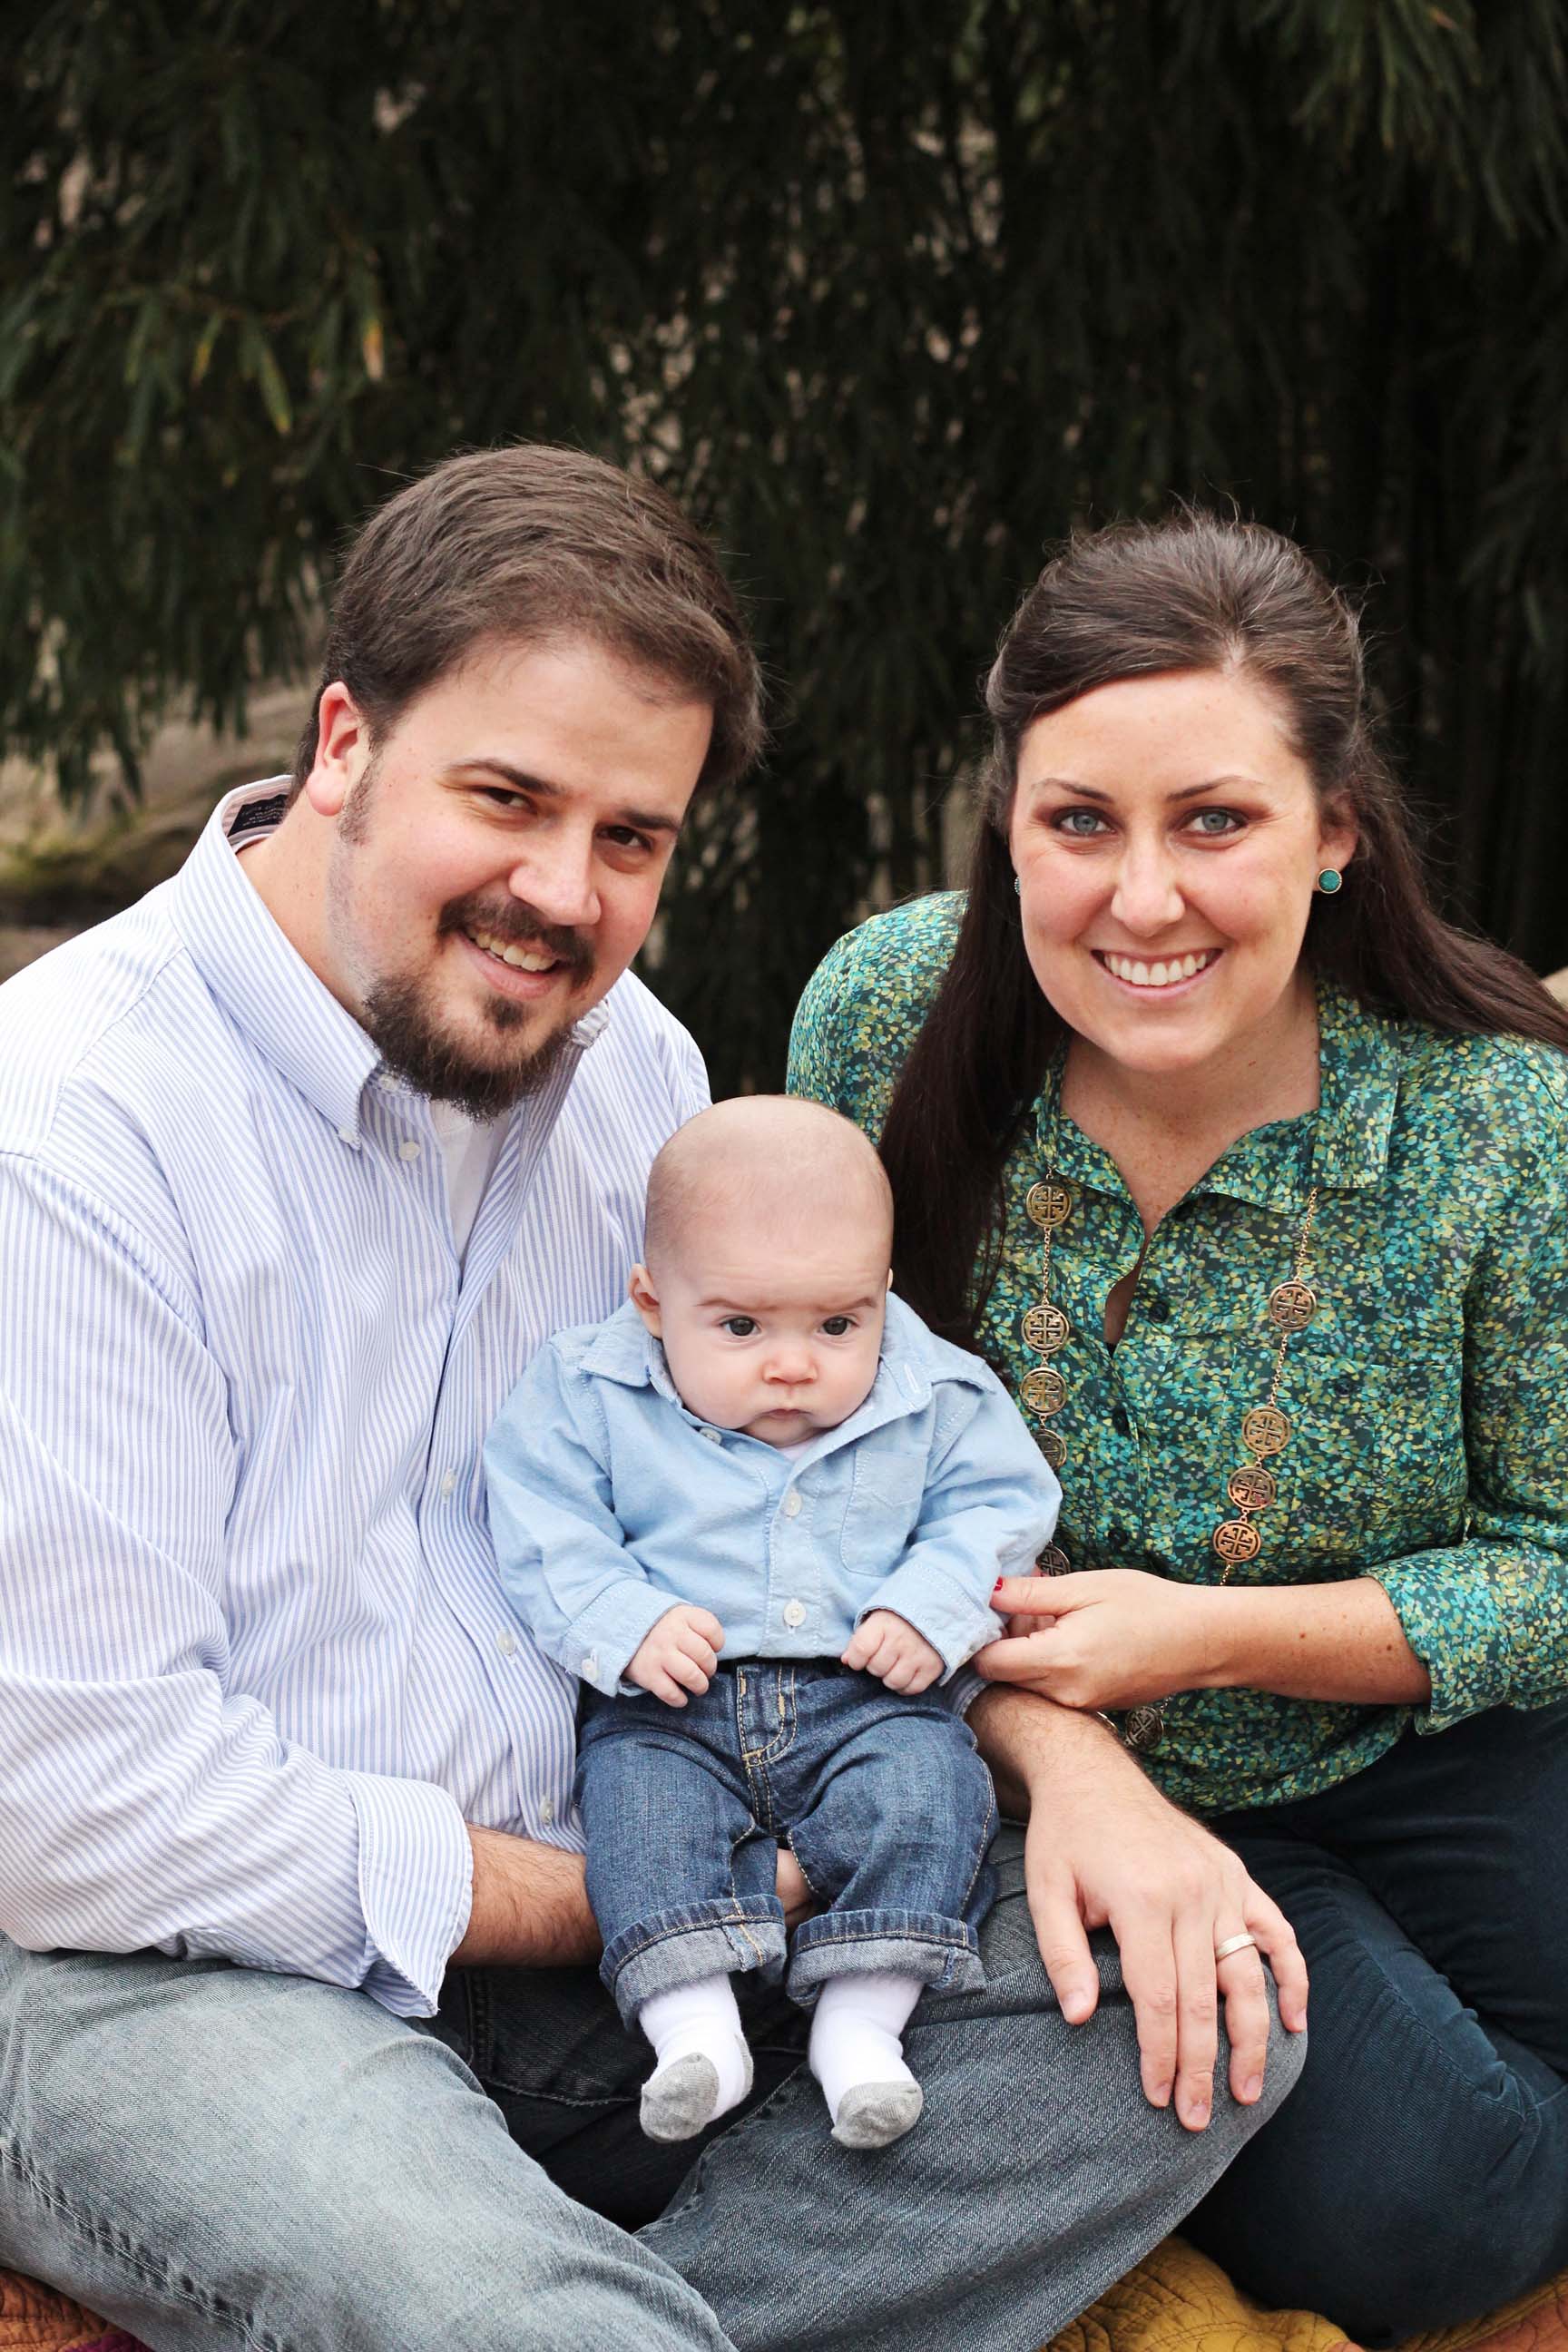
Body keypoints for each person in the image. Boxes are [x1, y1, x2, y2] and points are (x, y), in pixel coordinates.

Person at [0, 452, 1304, 2352]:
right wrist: (602, 1896)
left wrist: (1070, 1764)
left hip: (652, 1900)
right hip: (179, 1976)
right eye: (507, 799)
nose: (562, 893)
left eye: (632, 837)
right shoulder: (68, 1135)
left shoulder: (636, 1078)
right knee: (489, 2290)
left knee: (1185, 2001)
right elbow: (81, 1807)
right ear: (346, 741)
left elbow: (812, 1501)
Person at [789, 509, 1568, 2347]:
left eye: (1213, 821)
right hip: (1031, 1771)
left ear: (1333, 830)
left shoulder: (1498, 1118)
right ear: (1009, 820)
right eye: (1081, 822)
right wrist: (1063, 1752)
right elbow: (799, 1474)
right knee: (1434, 2213)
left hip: (1430, 1735)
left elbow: (1555, 1560)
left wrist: (1204, 1631)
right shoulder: (885, 1019)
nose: (1142, 900)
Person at [486, 1094, 1061, 2152]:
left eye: (838, 1325)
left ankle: (863, 2022)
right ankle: (693, 2029)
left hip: (865, 1693)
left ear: (883, 1293)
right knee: (638, 1818)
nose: (793, 1364)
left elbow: (1000, 1505)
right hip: (673, 1697)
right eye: (742, 1328)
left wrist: (930, 1605)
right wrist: (624, 1617)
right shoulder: (587, 1388)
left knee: (933, 1798)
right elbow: (542, 1517)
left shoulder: (937, 1392)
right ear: (653, 1301)